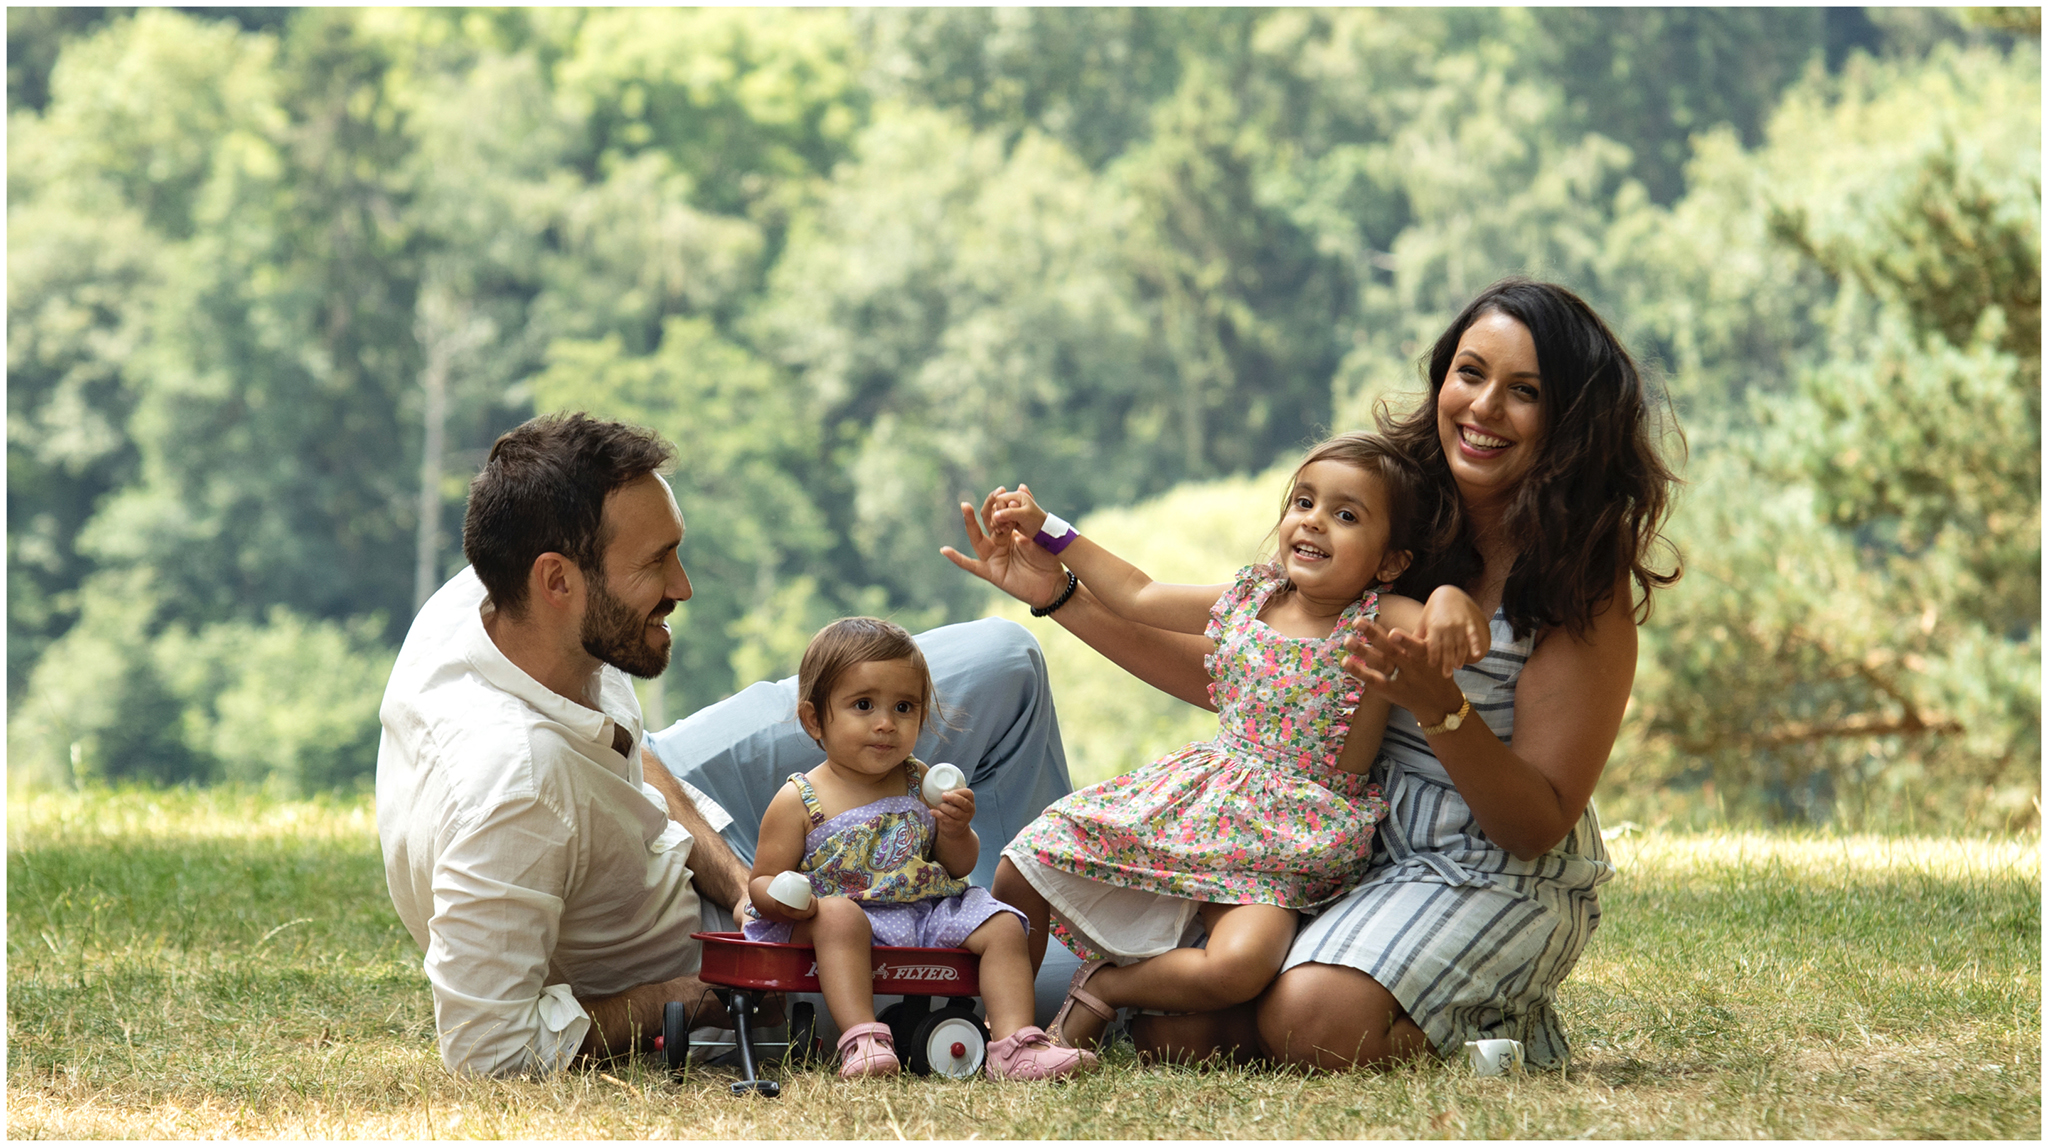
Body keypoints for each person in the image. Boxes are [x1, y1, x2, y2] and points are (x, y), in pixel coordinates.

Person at [945, 278, 1680, 1071]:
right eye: (1470, 374)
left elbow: (1533, 826)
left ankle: (1504, 1039)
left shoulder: (1577, 586)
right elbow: (1257, 678)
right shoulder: (1395, 514)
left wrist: (1444, 712)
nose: (1485, 407)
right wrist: (1060, 595)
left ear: (1569, 421)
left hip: (1492, 867)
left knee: (1313, 1019)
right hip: (1344, 843)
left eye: (1525, 392)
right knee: (1172, 1036)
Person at [969, 435, 1488, 1054]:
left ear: (1390, 561)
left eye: (1346, 515)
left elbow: (1445, 621)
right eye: (1303, 502)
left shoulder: (1380, 616)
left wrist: (1454, 601)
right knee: (1022, 863)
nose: (1314, 520)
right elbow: (1137, 593)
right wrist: (1047, 528)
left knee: (1239, 966)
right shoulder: (1252, 597)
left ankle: (1111, 986)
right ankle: (1013, 1041)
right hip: (1202, 802)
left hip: (1286, 840)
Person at [378, 413, 760, 1076]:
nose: (683, 587)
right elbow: (490, 1053)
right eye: (656, 563)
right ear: (556, 581)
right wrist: (687, 997)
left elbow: (627, 748)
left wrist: (740, 884)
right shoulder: (516, 791)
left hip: (693, 831)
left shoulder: (496, 598)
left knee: (989, 668)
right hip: (699, 945)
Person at [743, 617, 1091, 1081]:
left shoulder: (917, 779)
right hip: (844, 918)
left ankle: (1013, 1044)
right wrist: (789, 899)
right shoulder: (800, 799)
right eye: (863, 705)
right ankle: (863, 1039)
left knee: (1005, 923)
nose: (886, 724)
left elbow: (955, 865)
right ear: (814, 719)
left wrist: (954, 830)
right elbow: (761, 882)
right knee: (839, 914)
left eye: (904, 707)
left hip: (925, 910)